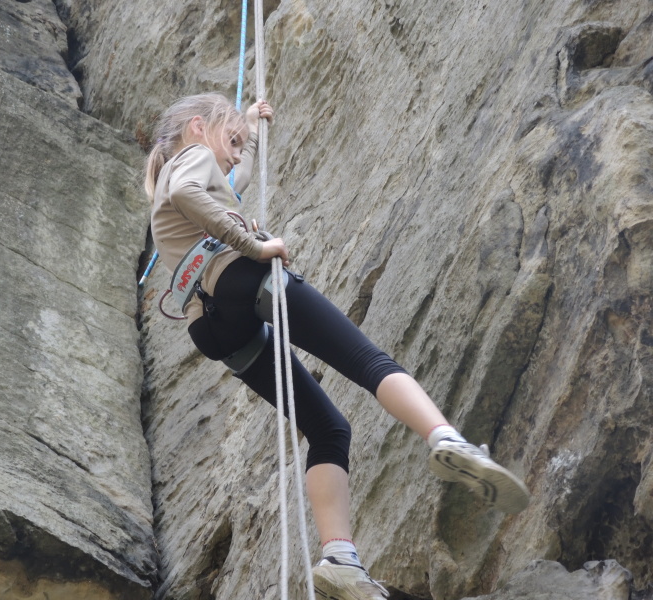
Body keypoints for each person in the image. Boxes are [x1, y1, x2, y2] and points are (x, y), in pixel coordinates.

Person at [145, 92, 530, 600]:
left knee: (328, 429)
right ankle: (445, 438)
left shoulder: (173, 186)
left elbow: (233, 183)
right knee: (367, 361)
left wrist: (252, 132)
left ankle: (340, 559)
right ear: (198, 127)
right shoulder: (191, 160)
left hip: (213, 328)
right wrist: (254, 246)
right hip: (239, 276)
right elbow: (193, 191)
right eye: (231, 142)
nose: (235, 156)